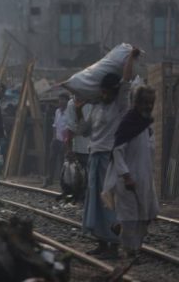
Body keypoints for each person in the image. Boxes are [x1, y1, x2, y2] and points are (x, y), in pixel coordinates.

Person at [79, 48, 138, 258]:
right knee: (94, 201)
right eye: (102, 91)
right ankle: (101, 242)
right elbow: (84, 130)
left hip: (108, 158)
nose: (104, 94)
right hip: (94, 157)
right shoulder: (96, 107)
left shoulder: (119, 105)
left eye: (107, 91)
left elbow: (127, 82)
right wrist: (77, 110)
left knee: (108, 202)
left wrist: (130, 58)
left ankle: (113, 245)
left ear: (113, 91)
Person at [102, 85, 158, 258]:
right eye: (145, 103)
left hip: (145, 179)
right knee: (130, 217)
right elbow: (118, 152)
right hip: (128, 179)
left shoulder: (148, 126)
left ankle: (126, 237)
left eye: (151, 103)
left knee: (147, 214)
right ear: (137, 103)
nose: (148, 106)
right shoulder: (128, 122)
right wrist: (126, 176)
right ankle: (130, 251)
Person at [44, 93, 70, 187]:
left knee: (63, 161)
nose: (61, 102)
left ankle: (63, 181)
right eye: (60, 99)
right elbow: (54, 125)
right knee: (51, 159)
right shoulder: (57, 111)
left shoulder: (69, 112)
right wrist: (54, 138)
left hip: (64, 141)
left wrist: (66, 141)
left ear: (67, 101)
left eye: (63, 99)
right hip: (56, 140)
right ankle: (49, 179)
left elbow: (68, 128)